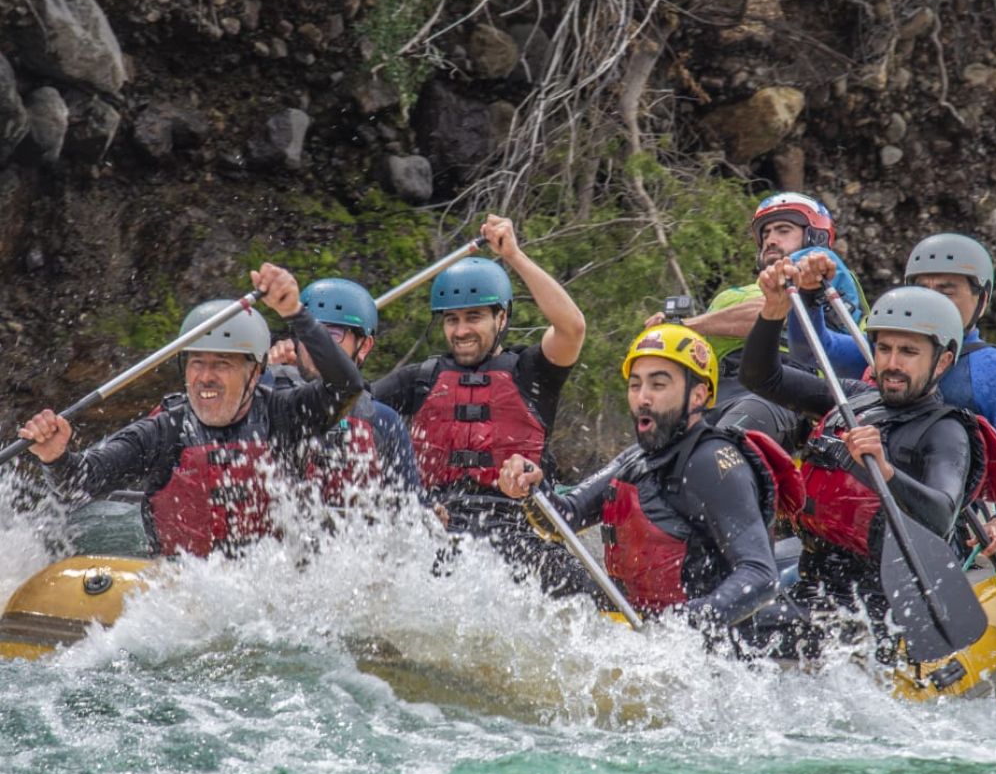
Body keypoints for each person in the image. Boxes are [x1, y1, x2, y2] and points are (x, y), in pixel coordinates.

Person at [17, 263, 365, 557]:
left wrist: (296, 314)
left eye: (222, 364)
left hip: (274, 586)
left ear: (255, 372)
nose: (205, 378)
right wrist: (55, 458)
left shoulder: (285, 414)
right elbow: (80, 484)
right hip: (182, 590)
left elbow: (347, 386)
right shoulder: (165, 430)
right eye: (197, 363)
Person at [738, 263, 987, 658]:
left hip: (879, 607)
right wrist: (773, 312)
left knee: (738, 638)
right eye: (884, 349)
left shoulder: (945, 431)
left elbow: (940, 516)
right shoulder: (851, 398)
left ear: (941, 362)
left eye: (908, 352)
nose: (892, 363)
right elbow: (761, 377)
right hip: (815, 582)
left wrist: (886, 472)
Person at [498, 325, 800, 640]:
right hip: (645, 638)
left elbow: (760, 575)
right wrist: (532, 485)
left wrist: (681, 626)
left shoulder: (714, 462)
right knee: (538, 558)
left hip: (706, 654)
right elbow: (563, 517)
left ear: (698, 395)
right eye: (635, 384)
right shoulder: (636, 459)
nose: (642, 398)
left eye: (658, 384)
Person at [784, 233, 996, 557]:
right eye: (923, 289)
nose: (933, 300)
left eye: (947, 291)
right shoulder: (889, 351)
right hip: (867, 517)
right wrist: (808, 296)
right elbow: (810, 351)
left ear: (983, 299)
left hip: (944, 520)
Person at [372, 213, 587, 588]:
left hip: (521, 529)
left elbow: (572, 328)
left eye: (474, 317)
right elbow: (351, 411)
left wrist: (515, 257)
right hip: (439, 531)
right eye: (451, 320)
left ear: (500, 318)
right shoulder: (419, 380)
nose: (461, 330)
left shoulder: (532, 372)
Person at [645, 191, 867, 450]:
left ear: (814, 236)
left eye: (783, 230)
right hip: (719, 391)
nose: (770, 240)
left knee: (724, 448)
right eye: (765, 234)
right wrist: (666, 336)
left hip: (786, 392)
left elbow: (778, 309)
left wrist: (689, 325)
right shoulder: (731, 296)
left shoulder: (828, 277)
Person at [266, 276, 421, 502]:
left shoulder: (383, 420)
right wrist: (268, 372)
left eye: (333, 335)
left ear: (364, 346)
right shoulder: (272, 398)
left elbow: (412, 509)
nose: (316, 347)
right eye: (311, 334)